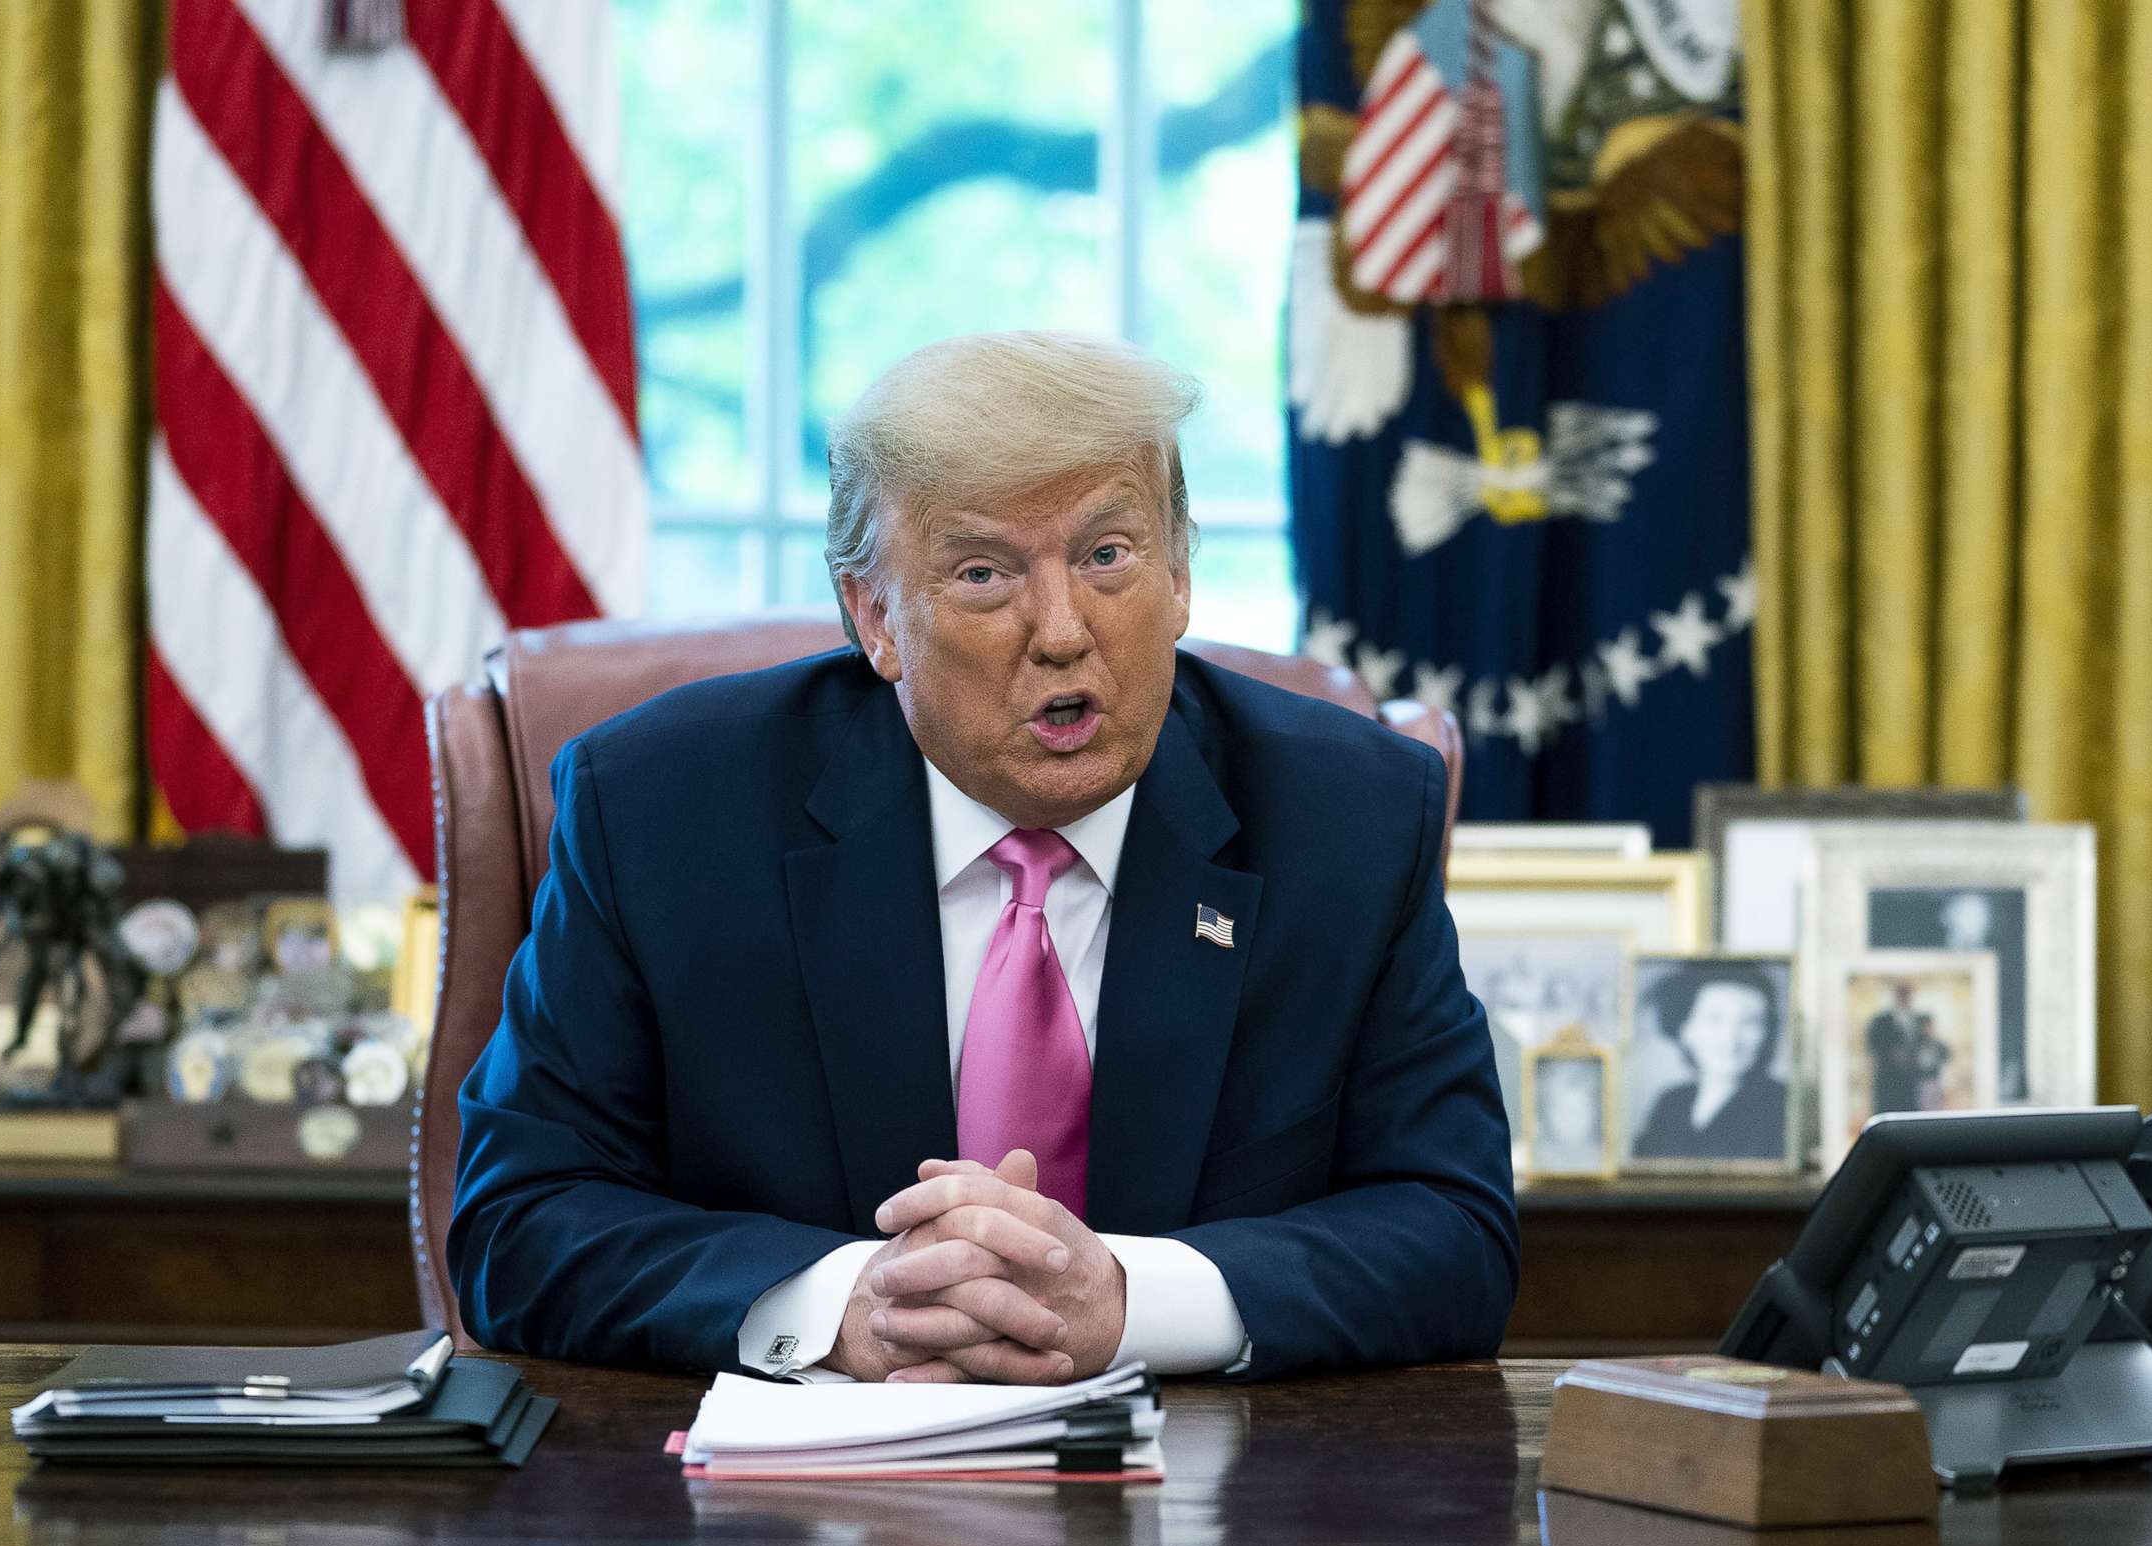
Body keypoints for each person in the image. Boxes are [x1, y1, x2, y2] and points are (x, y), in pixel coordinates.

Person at [450, 331, 1516, 1384]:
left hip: (1220, 1520)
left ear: (1182, 574)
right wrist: (845, 1303)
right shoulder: (661, 812)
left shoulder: (1351, 816)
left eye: (1108, 555)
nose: (1062, 631)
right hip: (785, 1527)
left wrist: (1130, 1302)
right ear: (875, 617)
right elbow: (517, 1219)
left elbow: (1456, 1231)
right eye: (983, 572)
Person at [1631, 962, 1787, 1161]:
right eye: (1714, 1020)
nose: (1731, 1039)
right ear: (1684, 1028)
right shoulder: (1672, 1103)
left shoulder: (1780, 1105)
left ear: (1767, 1033)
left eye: (1750, 1022)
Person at [1866, 983, 1923, 1117]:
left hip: (1910, 1082)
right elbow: (1873, 1044)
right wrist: (1891, 1055)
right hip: (1888, 1080)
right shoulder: (1881, 1021)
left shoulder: (1916, 1020)